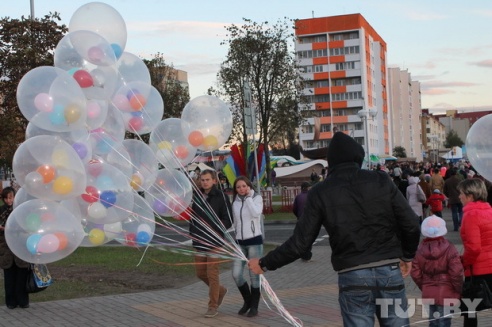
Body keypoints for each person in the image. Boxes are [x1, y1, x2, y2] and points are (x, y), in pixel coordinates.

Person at [248, 131, 421, 327]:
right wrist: (407, 255)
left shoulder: (320, 192)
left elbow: (300, 243)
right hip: (388, 269)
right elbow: (412, 224)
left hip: (353, 274)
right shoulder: (380, 180)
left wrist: (264, 264)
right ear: (358, 156)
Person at [189, 169, 232, 318]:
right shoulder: (197, 196)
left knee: (212, 274)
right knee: (200, 273)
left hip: (214, 241)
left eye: (207, 179)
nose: (204, 182)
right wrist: (193, 232)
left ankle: (213, 306)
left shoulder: (221, 197)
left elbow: (228, 219)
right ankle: (220, 291)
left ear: (214, 181)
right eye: (202, 180)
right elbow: (193, 216)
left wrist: (215, 231)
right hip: (199, 240)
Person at [411, 215, 463, 327]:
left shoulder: (419, 249)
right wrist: (458, 288)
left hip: (429, 291)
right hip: (446, 290)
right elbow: (456, 272)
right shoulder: (450, 248)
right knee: (444, 321)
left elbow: (415, 272)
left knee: (433, 321)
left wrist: (424, 285)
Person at [457, 178, 492, 327]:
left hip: (478, 271)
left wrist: (464, 262)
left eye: (461, 193)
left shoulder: (471, 215)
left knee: (469, 311)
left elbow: (474, 248)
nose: (459, 196)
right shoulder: (489, 210)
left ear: (470, 195)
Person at [231, 176, 264, 317]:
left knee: (254, 275)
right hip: (239, 242)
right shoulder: (235, 202)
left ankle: (254, 307)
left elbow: (256, 213)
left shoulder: (257, 198)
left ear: (249, 186)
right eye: (238, 187)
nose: (241, 189)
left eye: (244, 186)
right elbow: (236, 222)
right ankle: (248, 301)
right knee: (236, 274)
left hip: (254, 241)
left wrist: (249, 198)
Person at [0, 187, 30, 309]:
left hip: (20, 247)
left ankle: (23, 301)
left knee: (22, 276)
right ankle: (11, 302)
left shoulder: (20, 210)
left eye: (11, 197)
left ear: (15, 197)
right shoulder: (0, 211)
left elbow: (27, 226)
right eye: (6, 198)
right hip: (6, 248)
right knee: (9, 277)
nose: (8, 200)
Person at [292, 181, 312, 261]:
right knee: (309, 237)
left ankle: (302, 254)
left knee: (301, 238)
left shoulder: (298, 197)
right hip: (310, 220)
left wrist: (298, 216)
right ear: (307, 188)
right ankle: (307, 255)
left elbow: (294, 209)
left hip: (300, 219)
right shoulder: (311, 196)